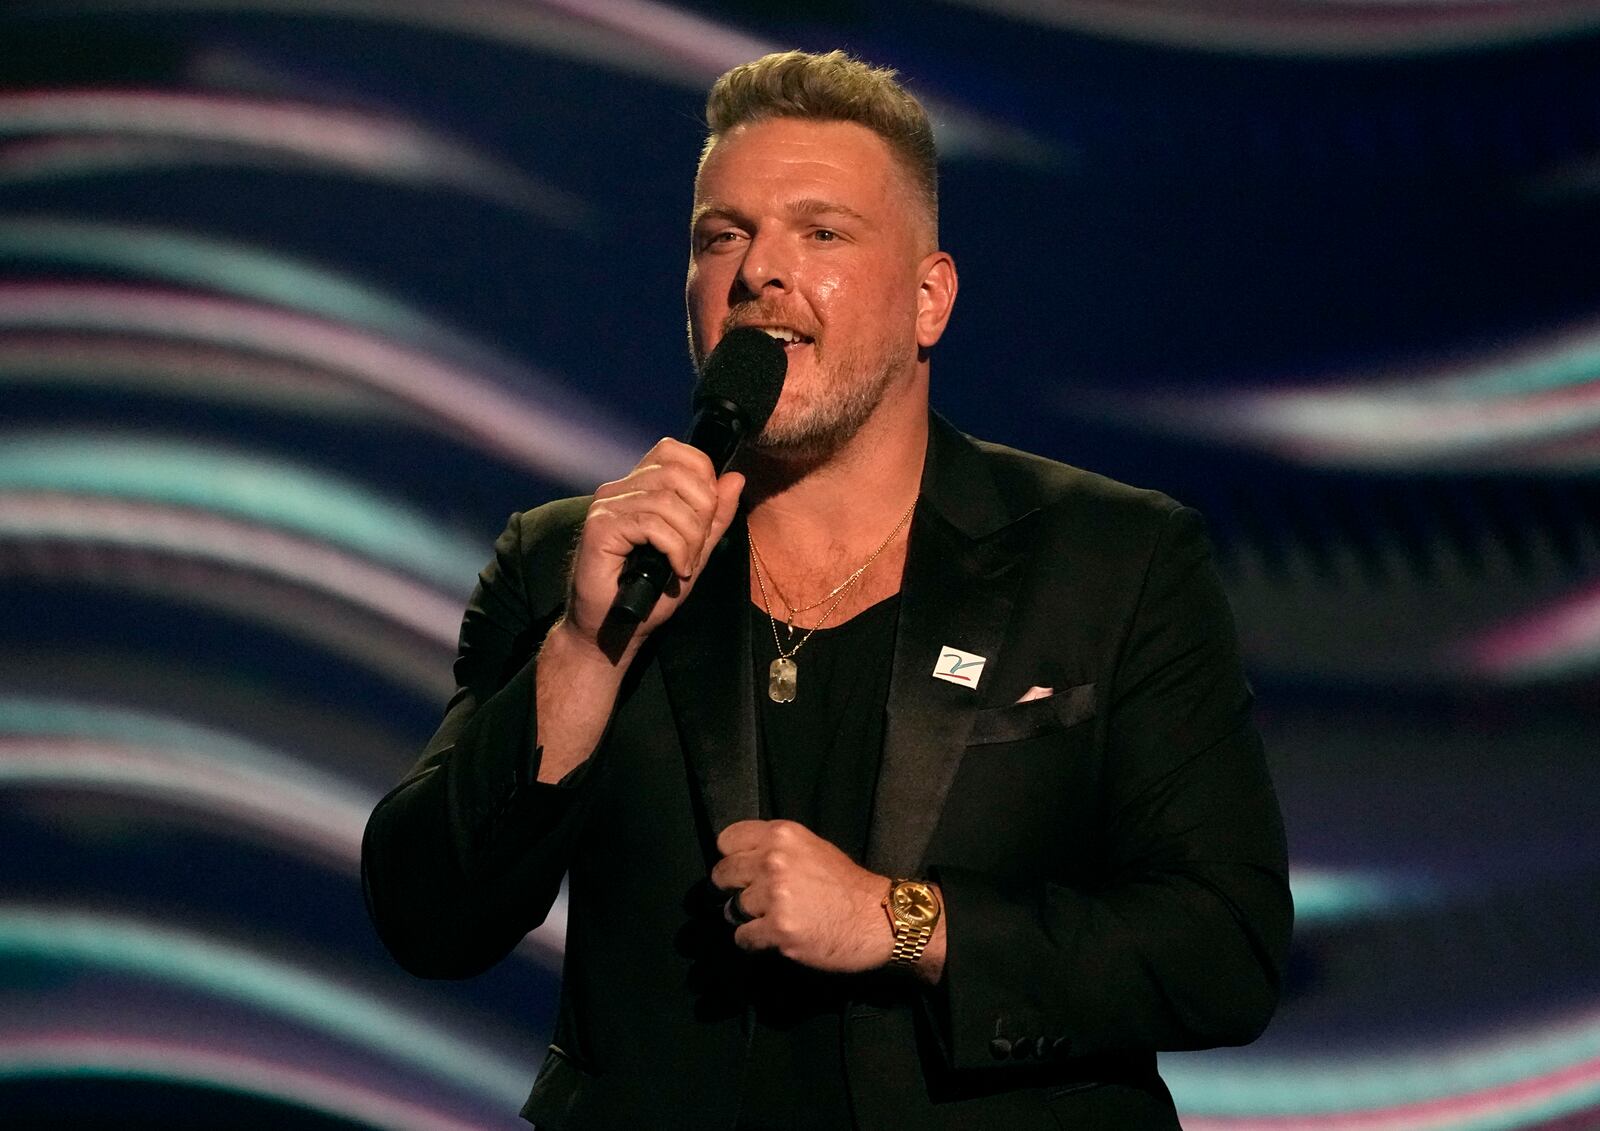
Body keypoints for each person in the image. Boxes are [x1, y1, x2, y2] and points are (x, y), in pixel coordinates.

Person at [361, 49, 1292, 1131]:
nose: (761, 270)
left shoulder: (1111, 560)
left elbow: (1221, 950)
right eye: (724, 236)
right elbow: (427, 919)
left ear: (928, 301)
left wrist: (902, 921)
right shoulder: (570, 563)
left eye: (822, 233)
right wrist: (584, 649)